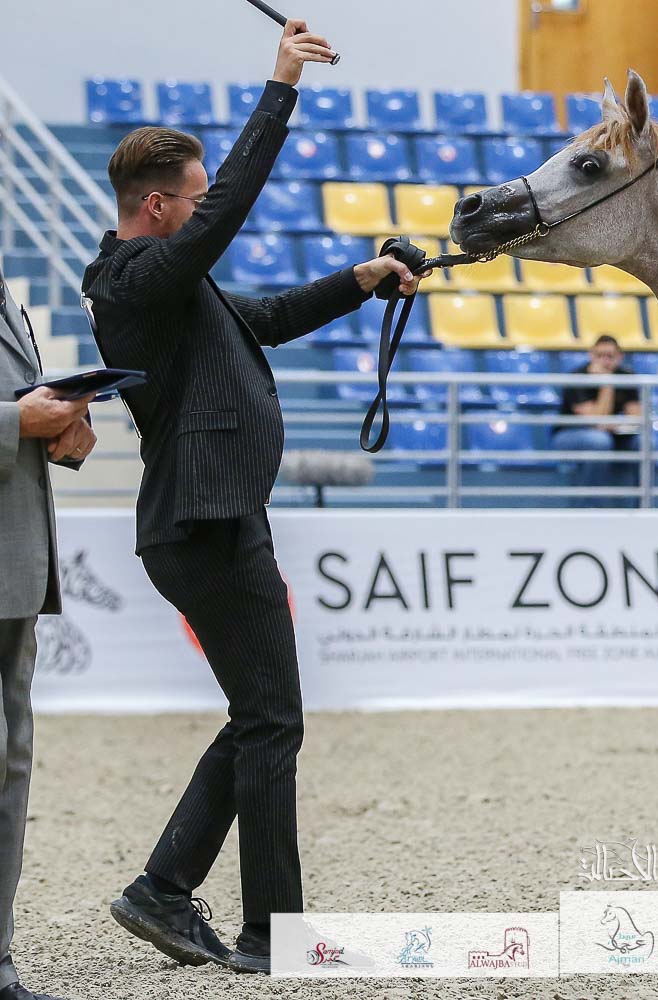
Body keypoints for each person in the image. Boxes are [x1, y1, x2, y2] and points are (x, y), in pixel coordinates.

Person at [80, 20, 422, 975]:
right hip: (204, 522)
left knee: (262, 717)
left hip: (215, 517)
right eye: (192, 200)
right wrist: (281, 88)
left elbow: (264, 318)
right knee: (272, 721)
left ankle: (165, 891)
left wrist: (361, 280)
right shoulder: (131, 279)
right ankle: (271, 933)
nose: (205, 212)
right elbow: (225, 212)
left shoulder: (172, 286)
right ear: (157, 206)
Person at [0, 261, 95, 1000]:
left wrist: (61, 426)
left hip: (16, 566)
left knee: (10, 767)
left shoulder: (6, 290)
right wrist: (14, 424)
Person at [555, 335, 642, 507]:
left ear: (620, 357)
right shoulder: (577, 377)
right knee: (599, 441)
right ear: (591, 356)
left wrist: (616, 424)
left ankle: (643, 504)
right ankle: (592, 507)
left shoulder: (626, 375)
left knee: (645, 442)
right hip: (570, 433)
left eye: (610, 356)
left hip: (612, 432)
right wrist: (607, 384)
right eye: (599, 355)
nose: (604, 361)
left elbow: (636, 417)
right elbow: (596, 420)